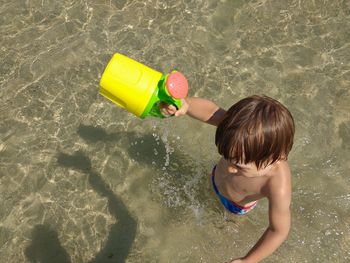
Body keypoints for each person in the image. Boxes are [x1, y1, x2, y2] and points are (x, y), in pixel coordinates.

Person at [160, 95, 295, 263]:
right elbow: (210, 111)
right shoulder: (239, 133)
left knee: (224, 228)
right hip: (214, 177)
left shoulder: (277, 184)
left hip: (234, 206)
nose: (231, 169)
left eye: (239, 166)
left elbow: (279, 231)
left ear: (272, 158)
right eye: (226, 157)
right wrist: (185, 105)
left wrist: (247, 260)